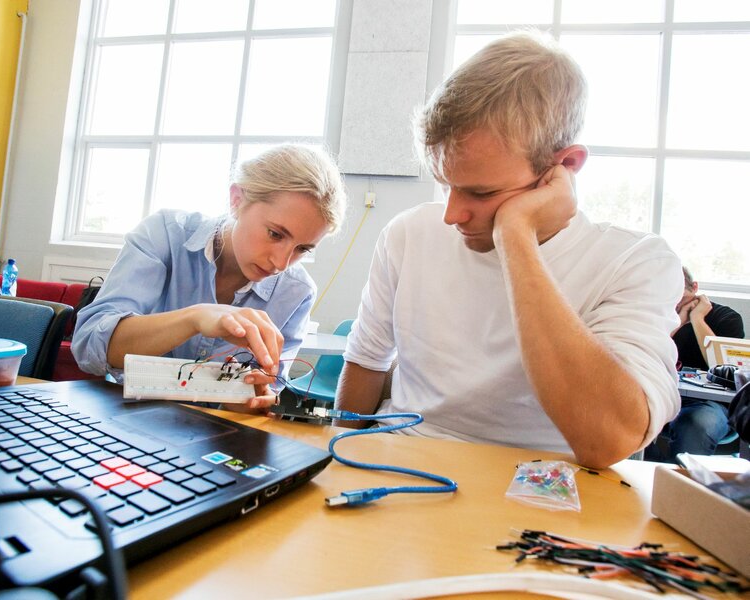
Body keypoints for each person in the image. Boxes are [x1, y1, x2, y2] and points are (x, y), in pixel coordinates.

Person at [334, 32, 683, 469]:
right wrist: (329, 467)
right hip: (402, 460)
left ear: (565, 167)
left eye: (481, 193)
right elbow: (366, 364)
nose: (452, 214)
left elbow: (608, 440)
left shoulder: (636, 262)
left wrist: (516, 237)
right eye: (445, 185)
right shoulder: (407, 234)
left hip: (542, 486)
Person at [72, 144, 346, 410]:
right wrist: (196, 318)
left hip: (216, 438)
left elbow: (262, 397)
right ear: (237, 200)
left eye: (302, 249)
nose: (281, 263)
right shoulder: (165, 235)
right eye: (275, 234)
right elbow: (88, 348)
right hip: (124, 418)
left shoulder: (297, 293)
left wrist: (253, 400)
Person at [645, 266, 745, 462]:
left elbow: (724, 367)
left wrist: (697, 319)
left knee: (695, 424)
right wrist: (678, 323)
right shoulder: (659, 317)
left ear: (695, 287)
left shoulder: (727, 318)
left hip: (710, 405)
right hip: (662, 395)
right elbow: (647, 355)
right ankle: (655, 471)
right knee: (625, 414)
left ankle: (680, 485)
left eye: (680, 297)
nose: (675, 303)